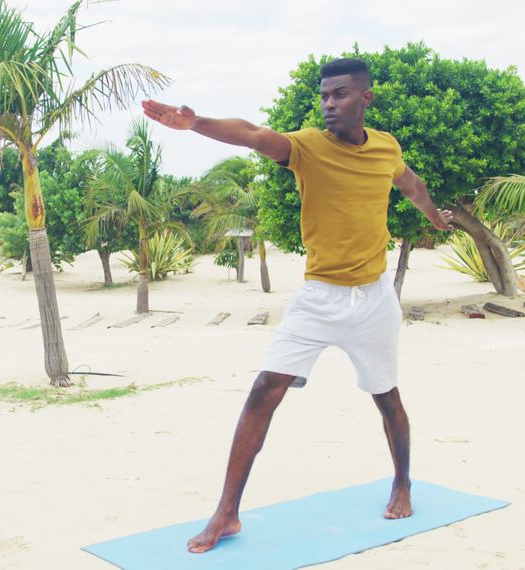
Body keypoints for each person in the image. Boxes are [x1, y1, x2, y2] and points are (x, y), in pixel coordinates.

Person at [141, 57, 454, 554]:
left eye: (341, 94)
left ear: (366, 98)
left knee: (386, 398)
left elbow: (410, 185)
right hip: (317, 298)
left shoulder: (387, 148)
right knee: (264, 389)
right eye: (326, 96)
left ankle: (403, 483)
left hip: (373, 300)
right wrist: (195, 123)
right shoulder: (307, 147)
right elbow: (252, 134)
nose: (330, 104)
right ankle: (227, 512)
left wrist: (435, 217)